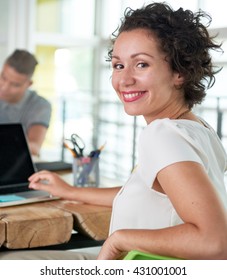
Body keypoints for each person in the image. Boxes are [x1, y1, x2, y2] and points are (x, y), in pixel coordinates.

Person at [1, 2, 227, 260]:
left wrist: (119, 239)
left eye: (141, 64)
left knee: (8, 262)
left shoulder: (161, 134)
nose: (124, 79)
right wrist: (70, 191)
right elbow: (146, 195)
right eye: (118, 65)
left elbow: (215, 242)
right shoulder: (199, 129)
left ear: (180, 72)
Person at [0, 49, 52, 156]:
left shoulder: (40, 105)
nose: (4, 87)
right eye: (3, 78)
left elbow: (35, 147)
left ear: (29, 84)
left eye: (15, 85)